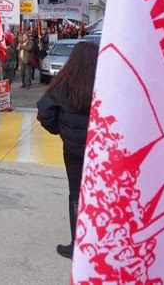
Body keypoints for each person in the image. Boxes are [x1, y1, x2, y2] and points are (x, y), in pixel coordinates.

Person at [37, 42, 98, 260]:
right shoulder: (108, 82)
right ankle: (100, 241)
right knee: (100, 193)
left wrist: (60, 131)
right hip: (101, 149)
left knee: (76, 194)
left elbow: (44, 112)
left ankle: (77, 244)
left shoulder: (63, 83)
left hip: (72, 149)